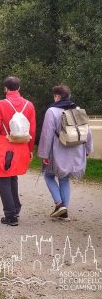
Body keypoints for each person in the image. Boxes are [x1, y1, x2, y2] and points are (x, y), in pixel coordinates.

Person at [37, 85, 93, 221]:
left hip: (58, 150)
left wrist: (44, 154)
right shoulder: (78, 109)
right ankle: (64, 213)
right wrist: (88, 149)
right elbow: (88, 132)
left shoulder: (52, 111)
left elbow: (46, 134)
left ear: (57, 96)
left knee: (48, 176)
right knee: (64, 178)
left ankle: (59, 204)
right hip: (76, 150)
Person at [0, 77, 36, 226]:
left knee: (3, 178)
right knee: (13, 177)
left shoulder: (0, 105)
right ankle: (15, 208)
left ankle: (10, 215)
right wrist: (30, 149)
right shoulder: (29, 105)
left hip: (6, 144)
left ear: (5, 89)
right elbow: (33, 130)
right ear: (19, 87)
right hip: (22, 145)